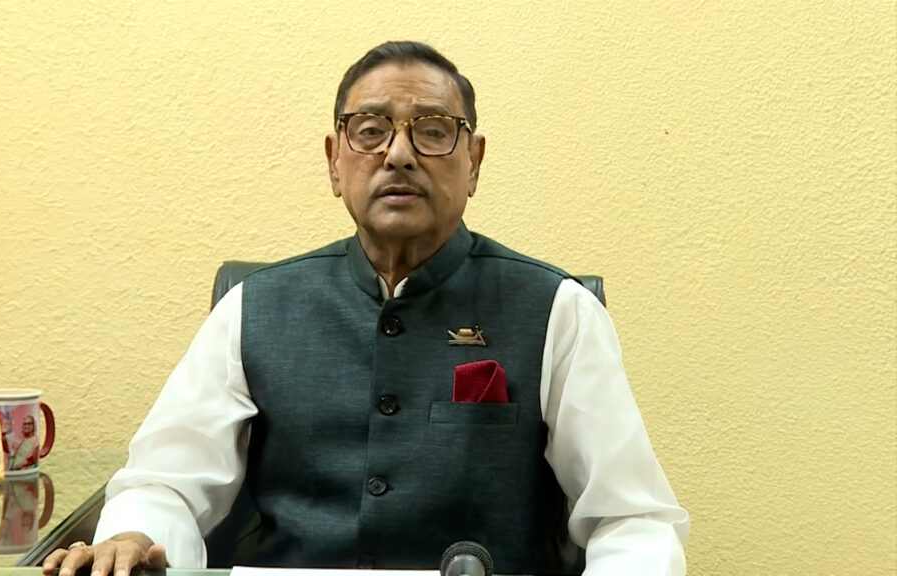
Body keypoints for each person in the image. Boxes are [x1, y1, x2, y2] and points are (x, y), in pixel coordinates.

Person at [44, 41, 689, 576]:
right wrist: (135, 536)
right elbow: (166, 482)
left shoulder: (558, 311)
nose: (399, 154)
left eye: (432, 131)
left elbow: (631, 519)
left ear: (474, 163)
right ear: (335, 160)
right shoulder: (253, 308)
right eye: (371, 130)